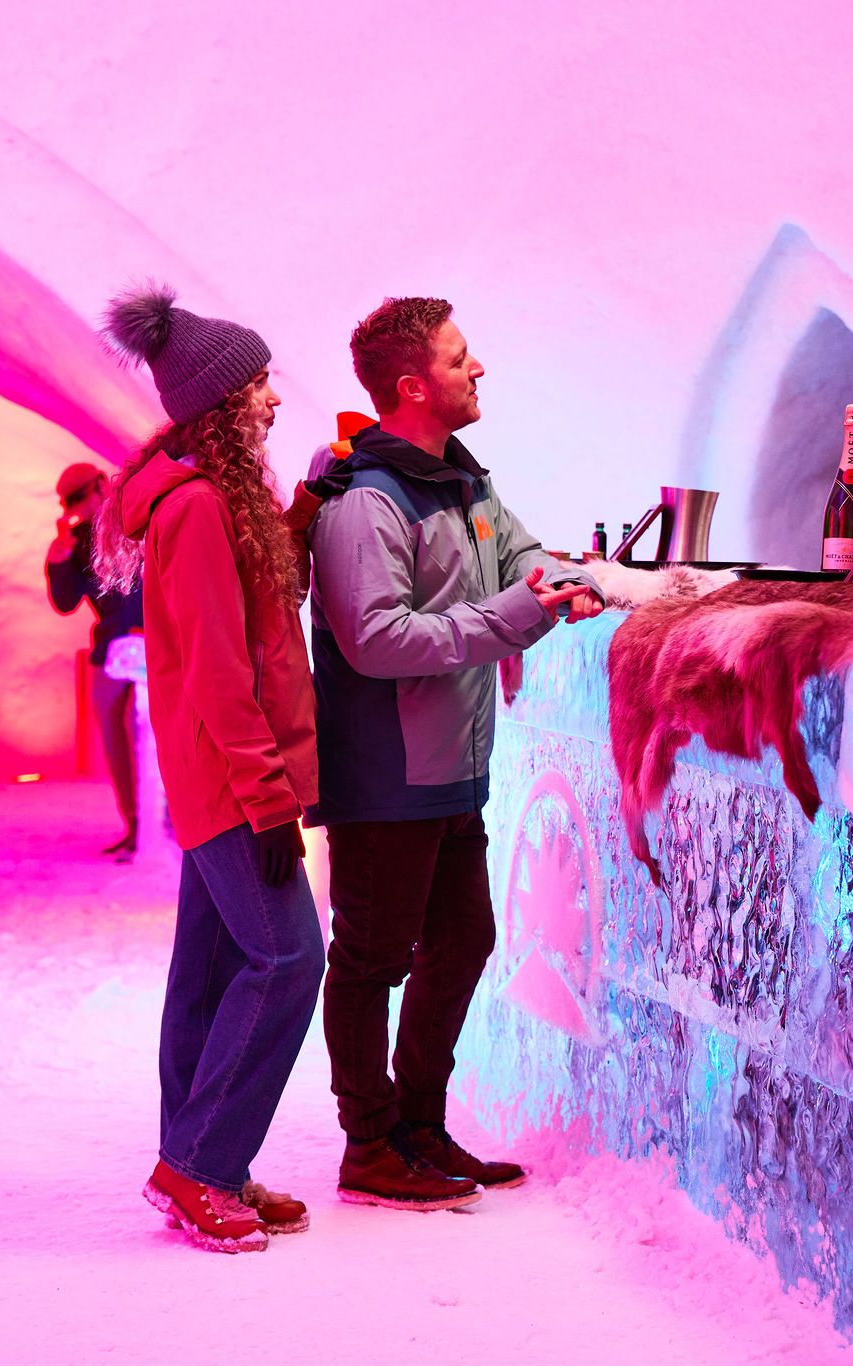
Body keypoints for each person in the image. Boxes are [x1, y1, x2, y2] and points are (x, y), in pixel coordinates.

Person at [306, 297, 602, 1209]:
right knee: (369, 960)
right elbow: (376, 640)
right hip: (387, 774)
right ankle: (368, 1143)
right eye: (461, 359)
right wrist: (520, 615)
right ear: (412, 385)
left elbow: (517, 553)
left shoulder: (464, 482)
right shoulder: (368, 503)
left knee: (465, 936)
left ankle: (419, 1126)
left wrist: (564, 579)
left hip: (452, 771)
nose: (480, 371)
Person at [97, 284, 326, 1253]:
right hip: (230, 779)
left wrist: (311, 498)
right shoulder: (193, 509)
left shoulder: (225, 498)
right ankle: (195, 1166)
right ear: (223, 404)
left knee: (211, 967)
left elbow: (267, 604)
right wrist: (270, 799)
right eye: (261, 384)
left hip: (224, 776)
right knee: (287, 957)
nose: (274, 397)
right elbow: (219, 672)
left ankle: (206, 1163)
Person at [45, 462, 144, 858]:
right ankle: (135, 823)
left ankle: (165, 824)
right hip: (111, 649)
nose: (76, 507)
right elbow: (65, 601)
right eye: (68, 502)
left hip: (154, 643)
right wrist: (58, 561)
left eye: (78, 496)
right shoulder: (79, 539)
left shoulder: (133, 515)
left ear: (101, 484)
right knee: (115, 738)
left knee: (155, 737)